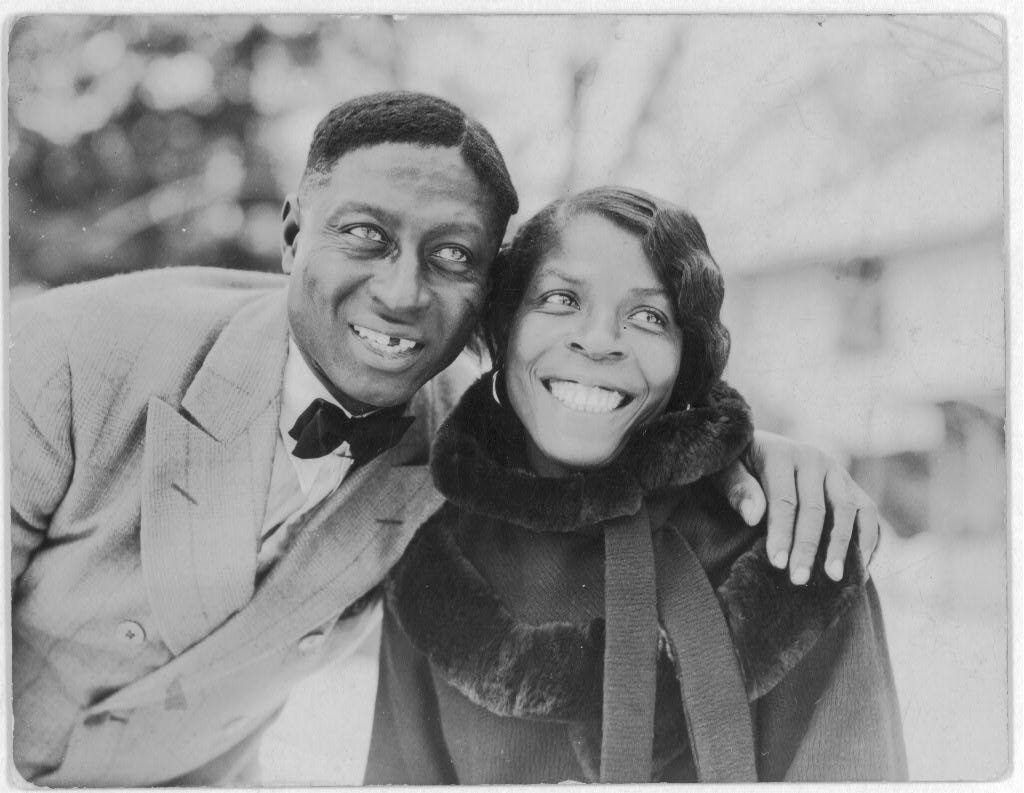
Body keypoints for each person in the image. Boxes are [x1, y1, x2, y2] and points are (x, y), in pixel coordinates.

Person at [10, 92, 880, 786]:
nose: (401, 291)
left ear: (482, 311)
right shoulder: (65, 359)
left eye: (454, 256)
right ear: (290, 235)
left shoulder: (468, 445)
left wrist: (753, 447)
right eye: (365, 235)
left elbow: (603, 410)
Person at [365, 187, 907, 783]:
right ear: (504, 329)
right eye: (560, 298)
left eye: (649, 317)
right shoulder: (435, 562)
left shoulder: (796, 543)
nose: (598, 341)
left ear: (687, 363)